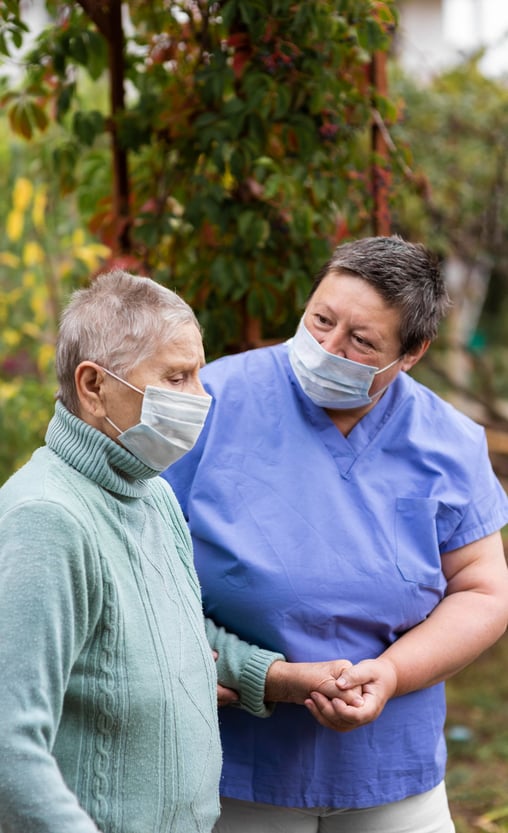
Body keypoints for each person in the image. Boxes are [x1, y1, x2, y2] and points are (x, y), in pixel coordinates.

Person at [162, 235, 508, 833]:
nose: (326, 347)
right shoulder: (215, 399)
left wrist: (393, 673)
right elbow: (139, 563)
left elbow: (482, 591)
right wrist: (257, 674)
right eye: (320, 319)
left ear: (412, 353)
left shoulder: (449, 442)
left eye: (361, 341)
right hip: (236, 760)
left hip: (389, 768)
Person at [0, 269, 366, 833]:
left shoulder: (152, 495)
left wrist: (286, 679)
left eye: (198, 374)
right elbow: (10, 748)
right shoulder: (47, 520)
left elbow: (175, 633)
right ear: (93, 386)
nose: (201, 397)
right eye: (177, 377)